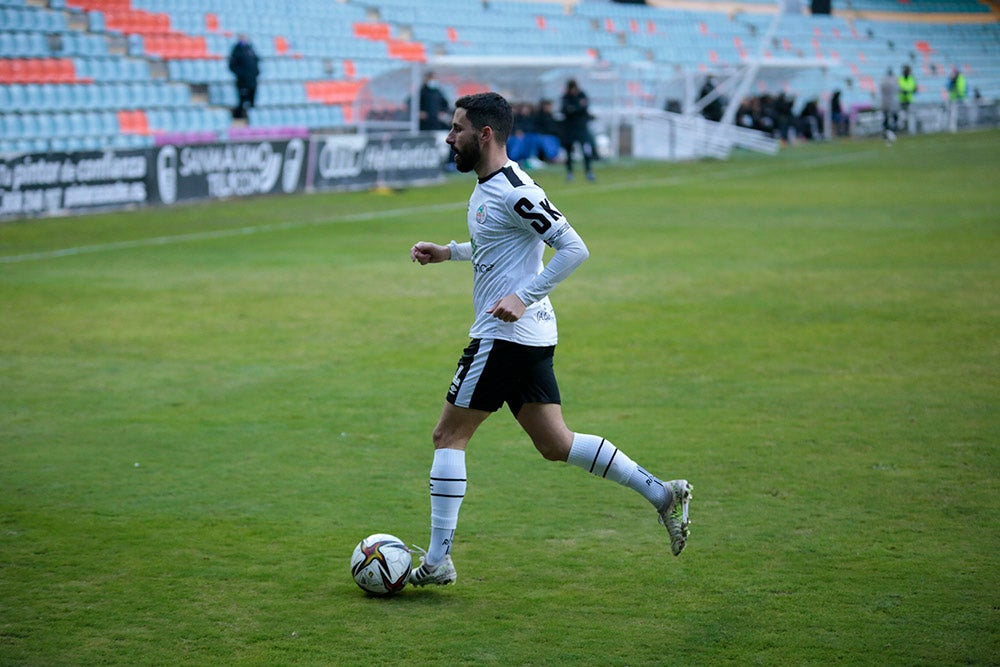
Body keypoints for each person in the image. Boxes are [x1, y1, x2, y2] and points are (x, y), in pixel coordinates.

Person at [407, 92, 693, 588]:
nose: (450, 137)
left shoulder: (517, 190)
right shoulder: (490, 187)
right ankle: (662, 494)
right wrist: (448, 252)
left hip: (505, 334)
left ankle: (437, 561)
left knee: (448, 436)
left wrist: (523, 294)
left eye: (457, 129)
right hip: (532, 336)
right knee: (556, 444)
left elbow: (574, 248)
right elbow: (500, 241)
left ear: (485, 134)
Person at [560, 79, 596, 182]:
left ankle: (589, 171)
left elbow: (582, 108)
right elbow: (565, 110)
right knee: (569, 152)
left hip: (581, 128)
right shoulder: (566, 97)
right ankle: (570, 172)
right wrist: (576, 108)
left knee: (586, 149)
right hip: (570, 129)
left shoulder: (582, 95)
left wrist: (573, 109)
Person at [228, 34, 259, 120]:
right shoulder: (236, 50)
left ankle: (251, 118)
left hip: (252, 79)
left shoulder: (250, 48)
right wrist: (240, 74)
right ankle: (240, 117)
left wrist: (256, 72)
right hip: (242, 80)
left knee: (252, 100)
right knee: (242, 99)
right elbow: (232, 65)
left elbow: (256, 61)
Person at [880, 68, 899, 144]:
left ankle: (886, 133)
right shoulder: (894, 81)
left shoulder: (883, 81)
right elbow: (898, 90)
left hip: (885, 102)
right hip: (891, 103)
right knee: (893, 118)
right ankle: (890, 133)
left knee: (886, 119)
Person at [897, 64, 916, 133]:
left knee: (911, 116)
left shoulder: (912, 79)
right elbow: (898, 89)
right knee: (901, 117)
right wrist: (903, 91)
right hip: (902, 101)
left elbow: (914, 89)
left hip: (909, 100)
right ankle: (901, 131)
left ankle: (911, 131)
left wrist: (908, 91)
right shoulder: (900, 79)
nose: (906, 72)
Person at [947, 66, 967, 133]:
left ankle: (958, 128)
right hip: (955, 99)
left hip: (959, 99)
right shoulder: (956, 80)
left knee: (956, 115)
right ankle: (954, 128)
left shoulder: (960, 79)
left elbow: (961, 89)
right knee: (954, 115)